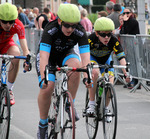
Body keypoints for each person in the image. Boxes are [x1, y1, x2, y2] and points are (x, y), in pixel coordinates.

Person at [35, 4, 91, 139]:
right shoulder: (50, 29)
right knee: (48, 86)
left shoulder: (80, 31)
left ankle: (69, 103)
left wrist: (87, 76)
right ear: (60, 21)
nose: (71, 29)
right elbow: (43, 56)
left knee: (76, 67)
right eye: (67, 26)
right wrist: (44, 78)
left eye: (74, 25)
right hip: (48, 57)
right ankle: (43, 124)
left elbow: (85, 58)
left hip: (66, 54)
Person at [86, 17, 130, 116]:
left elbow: (121, 57)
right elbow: (84, 55)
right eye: (103, 34)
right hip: (93, 58)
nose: (106, 37)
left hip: (106, 61)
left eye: (109, 34)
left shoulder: (113, 40)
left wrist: (126, 73)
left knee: (110, 85)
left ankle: (105, 108)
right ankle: (91, 103)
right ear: (97, 33)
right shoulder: (90, 39)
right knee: (95, 72)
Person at [0, 3, 31, 105]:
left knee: (16, 53)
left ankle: (9, 89)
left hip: (6, 44)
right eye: (4, 22)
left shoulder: (18, 24)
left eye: (11, 22)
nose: (8, 25)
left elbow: (24, 45)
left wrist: (27, 59)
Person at [120, 7, 140, 89]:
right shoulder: (127, 22)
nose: (125, 15)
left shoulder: (133, 21)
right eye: (124, 13)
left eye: (127, 13)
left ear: (131, 13)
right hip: (128, 45)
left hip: (134, 44)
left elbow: (126, 30)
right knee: (129, 63)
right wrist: (124, 23)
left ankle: (136, 81)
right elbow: (122, 32)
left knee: (134, 62)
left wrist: (124, 22)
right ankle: (131, 80)